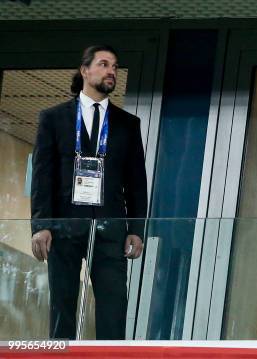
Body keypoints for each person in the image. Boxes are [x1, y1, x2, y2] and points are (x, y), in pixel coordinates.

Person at [30, 45, 147, 340]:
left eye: (115, 67)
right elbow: (42, 177)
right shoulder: (53, 119)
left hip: (110, 229)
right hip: (63, 227)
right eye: (104, 64)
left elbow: (136, 182)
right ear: (84, 71)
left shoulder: (128, 125)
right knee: (62, 310)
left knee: (113, 310)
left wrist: (136, 228)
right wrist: (41, 225)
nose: (111, 71)